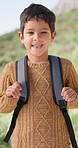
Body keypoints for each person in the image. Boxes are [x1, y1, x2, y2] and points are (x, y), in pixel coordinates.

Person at [0, 3, 78, 148]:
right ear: (21, 36)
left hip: (59, 144)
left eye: (43, 32)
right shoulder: (12, 69)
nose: (37, 38)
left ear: (52, 36)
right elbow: (2, 107)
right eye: (30, 33)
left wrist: (73, 97)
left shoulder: (65, 66)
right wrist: (9, 98)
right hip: (23, 144)